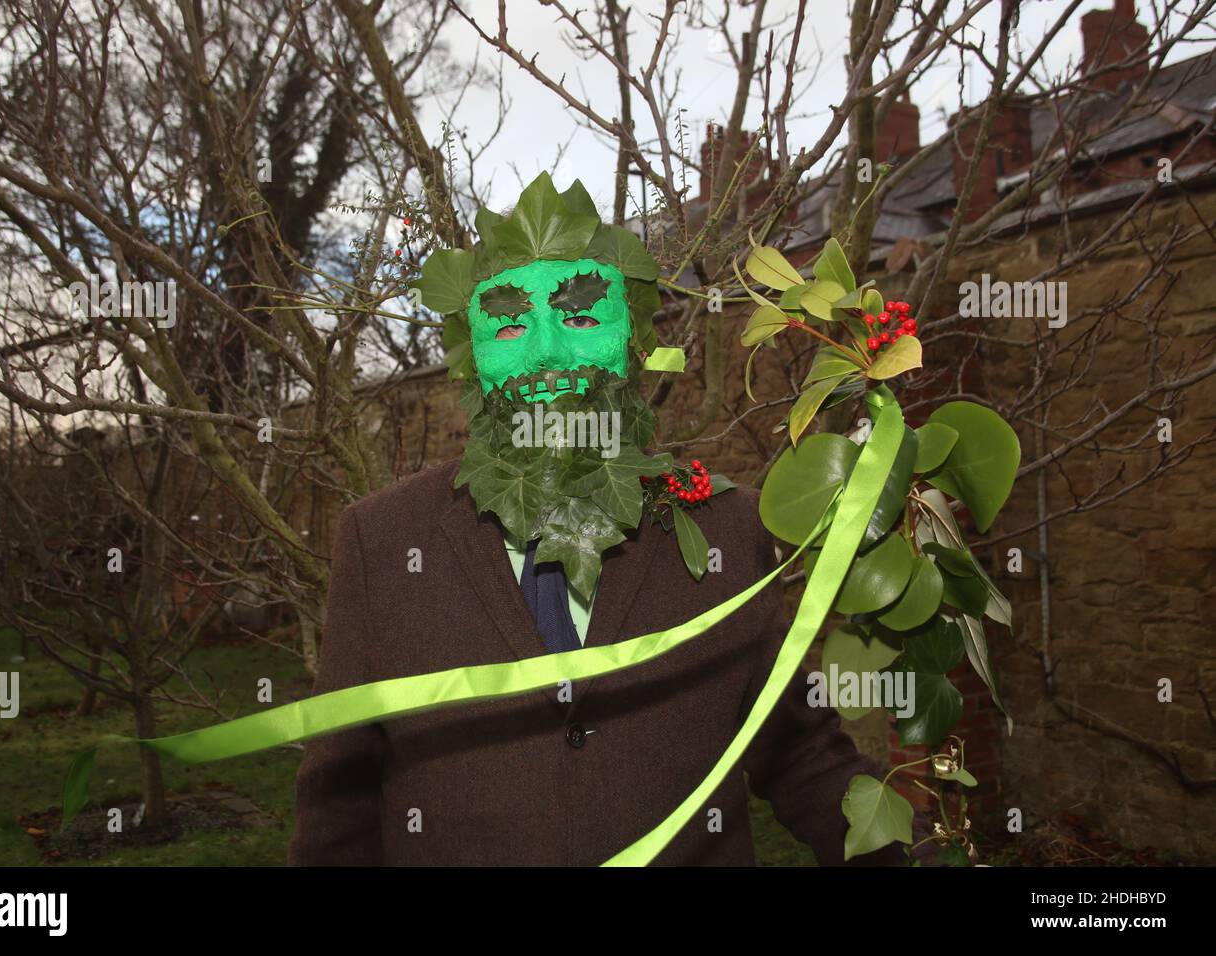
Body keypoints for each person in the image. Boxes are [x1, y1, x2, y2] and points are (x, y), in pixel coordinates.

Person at [288, 175, 931, 866]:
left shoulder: (724, 530)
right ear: (469, 357)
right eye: (508, 323)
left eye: (582, 318)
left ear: (633, 340)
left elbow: (802, 755)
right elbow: (338, 810)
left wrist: (924, 852)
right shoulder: (382, 544)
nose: (544, 354)